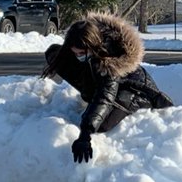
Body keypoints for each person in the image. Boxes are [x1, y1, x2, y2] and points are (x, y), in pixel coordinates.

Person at [41, 12, 174, 165]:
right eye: (75, 52)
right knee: (56, 56)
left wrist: (85, 133)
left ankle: (121, 103)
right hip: (103, 79)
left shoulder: (110, 59)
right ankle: (90, 90)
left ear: (93, 45)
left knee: (101, 125)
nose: (78, 56)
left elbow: (104, 97)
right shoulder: (86, 46)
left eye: (82, 53)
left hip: (133, 89)